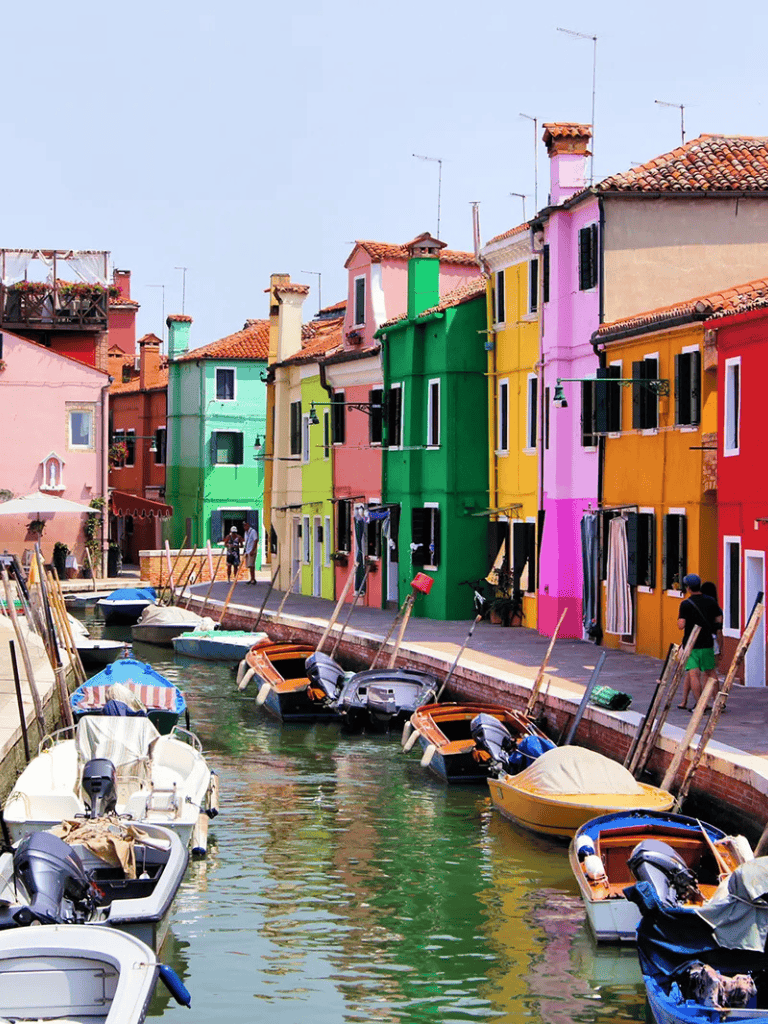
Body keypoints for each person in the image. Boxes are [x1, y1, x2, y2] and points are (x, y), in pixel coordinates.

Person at [677, 573, 723, 711]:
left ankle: (700, 705)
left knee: (693, 674)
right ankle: (718, 703)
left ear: (688, 588)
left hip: (692, 644)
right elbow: (718, 620)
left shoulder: (685, 604)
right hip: (707, 642)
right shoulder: (711, 601)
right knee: (711, 673)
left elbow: (681, 625)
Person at [243, 520, 258, 585]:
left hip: (251, 550)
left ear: (248, 525)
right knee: (249, 565)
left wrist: (253, 550)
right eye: (244, 526)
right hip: (247, 550)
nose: (244, 527)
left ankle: (253, 579)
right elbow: (246, 542)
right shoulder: (246, 533)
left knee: (252, 565)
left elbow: (255, 540)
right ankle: (251, 578)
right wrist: (245, 551)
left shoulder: (253, 531)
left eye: (245, 525)